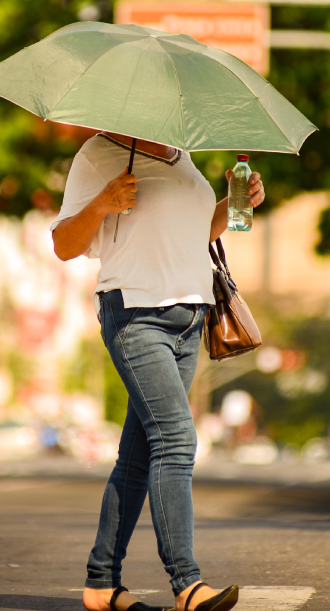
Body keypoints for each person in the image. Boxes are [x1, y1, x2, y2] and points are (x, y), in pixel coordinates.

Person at [52, 131, 265, 611]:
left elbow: (197, 236)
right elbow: (64, 244)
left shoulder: (182, 155)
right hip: (135, 315)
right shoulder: (99, 154)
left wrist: (237, 203)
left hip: (190, 320)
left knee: (138, 454)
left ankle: (101, 582)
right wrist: (104, 202)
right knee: (176, 438)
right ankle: (186, 583)